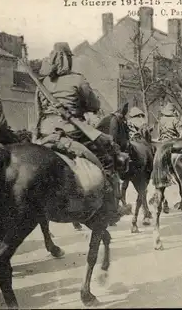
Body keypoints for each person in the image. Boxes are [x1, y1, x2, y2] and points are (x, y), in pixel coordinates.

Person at [34, 42, 124, 223]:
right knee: (106, 158)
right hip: (72, 131)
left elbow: (38, 110)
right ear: (68, 59)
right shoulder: (78, 80)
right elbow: (94, 105)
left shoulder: (42, 83)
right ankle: (110, 205)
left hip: (44, 132)